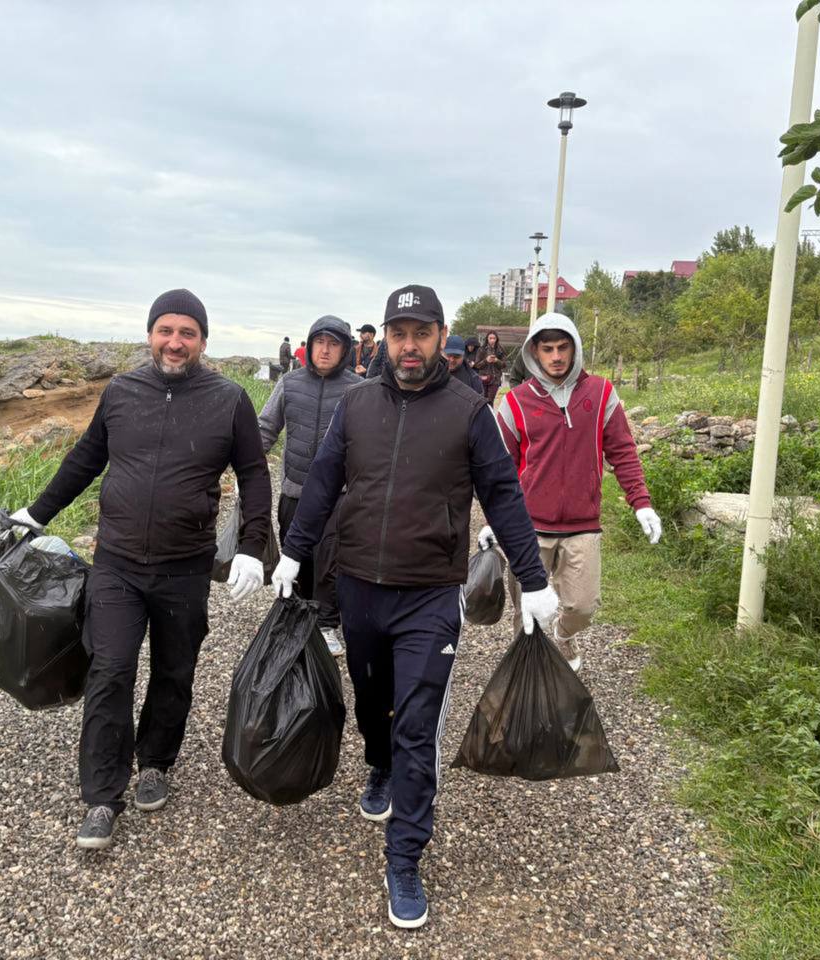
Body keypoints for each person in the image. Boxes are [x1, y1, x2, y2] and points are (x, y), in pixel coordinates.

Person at [273, 284, 556, 930]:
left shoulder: (468, 412)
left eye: (420, 334)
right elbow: (322, 481)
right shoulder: (357, 405)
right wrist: (293, 552)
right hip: (359, 591)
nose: (407, 346)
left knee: (418, 725)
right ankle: (377, 764)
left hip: (430, 595)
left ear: (440, 337)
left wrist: (532, 579)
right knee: (374, 708)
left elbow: (504, 497)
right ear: (387, 339)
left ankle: (404, 858)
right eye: (398, 334)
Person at [8, 289, 272, 851]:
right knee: (110, 671)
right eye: (165, 330)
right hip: (118, 564)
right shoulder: (122, 391)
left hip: (185, 567)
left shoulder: (228, 400)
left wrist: (253, 545)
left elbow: (253, 474)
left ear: (203, 340)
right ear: (150, 333)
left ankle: (155, 761)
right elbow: (85, 458)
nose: (175, 342)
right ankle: (102, 796)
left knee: (175, 671)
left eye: (188, 333)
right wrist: (37, 513)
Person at [481, 314, 661, 672]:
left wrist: (640, 503)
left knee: (582, 606)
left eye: (563, 347)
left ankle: (564, 636)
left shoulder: (601, 394)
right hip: (528, 527)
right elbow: (500, 471)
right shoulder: (515, 402)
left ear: (575, 348)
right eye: (547, 349)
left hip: (582, 525)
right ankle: (527, 676)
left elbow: (622, 451)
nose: (556, 356)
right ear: (535, 352)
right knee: (527, 612)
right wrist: (493, 522)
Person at [257, 315, 360, 656]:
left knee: (331, 559)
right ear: (310, 344)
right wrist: (246, 465)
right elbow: (266, 428)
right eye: (320, 342)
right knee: (294, 554)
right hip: (294, 489)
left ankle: (328, 623)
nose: (325, 350)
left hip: (339, 495)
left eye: (334, 344)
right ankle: (294, 616)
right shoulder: (289, 383)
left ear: (345, 350)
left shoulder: (357, 391)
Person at [473, 331, 505, 405]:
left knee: (490, 401)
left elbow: (504, 365)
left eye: (494, 338)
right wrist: (486, 360)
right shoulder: (481, 349)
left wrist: (497, 360)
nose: (492, 340)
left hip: (495, 379)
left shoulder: (500, 350)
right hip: (483, 378)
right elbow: (477, 365)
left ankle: (490, 415)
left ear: (497, 339)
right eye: (490, 338)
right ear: (487, 339)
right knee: (482, 399)